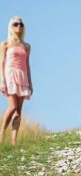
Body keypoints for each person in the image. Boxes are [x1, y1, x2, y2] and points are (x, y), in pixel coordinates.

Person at [0, 16, 33, 146]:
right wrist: (2, 81)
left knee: (19, 110)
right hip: (10, 75)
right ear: (11, 26)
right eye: (15, 24)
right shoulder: (5, 44)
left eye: (21, 24)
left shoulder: (27, 46)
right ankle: (2, 134)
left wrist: (30, 82)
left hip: (23, 76)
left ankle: (14, 141)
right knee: (12, 107)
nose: (18, 26)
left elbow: (27, 64)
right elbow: (1, 62)